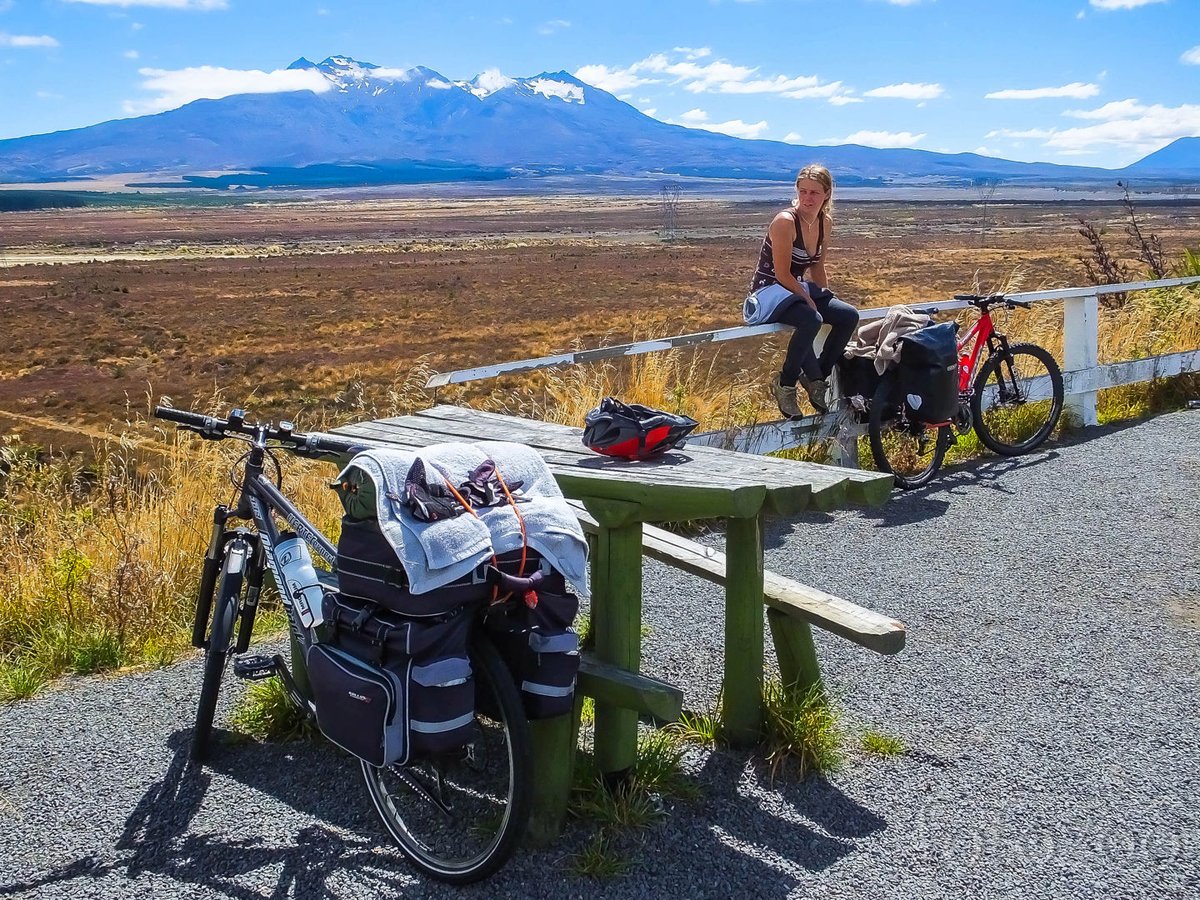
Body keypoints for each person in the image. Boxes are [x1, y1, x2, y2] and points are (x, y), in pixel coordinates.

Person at [743, 164, 859, 418]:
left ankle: (817, 379)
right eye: (803, 191)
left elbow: (817, 267)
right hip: (769, 291)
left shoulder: (824, 223)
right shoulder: (785, 222)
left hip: (795, 288)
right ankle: (785, 384)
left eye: (814, 193)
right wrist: (808, 299)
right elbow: (782, 274)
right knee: (811, 319)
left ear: (826, 194)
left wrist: (826, 296)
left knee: (848, 316)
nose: (807, 198)